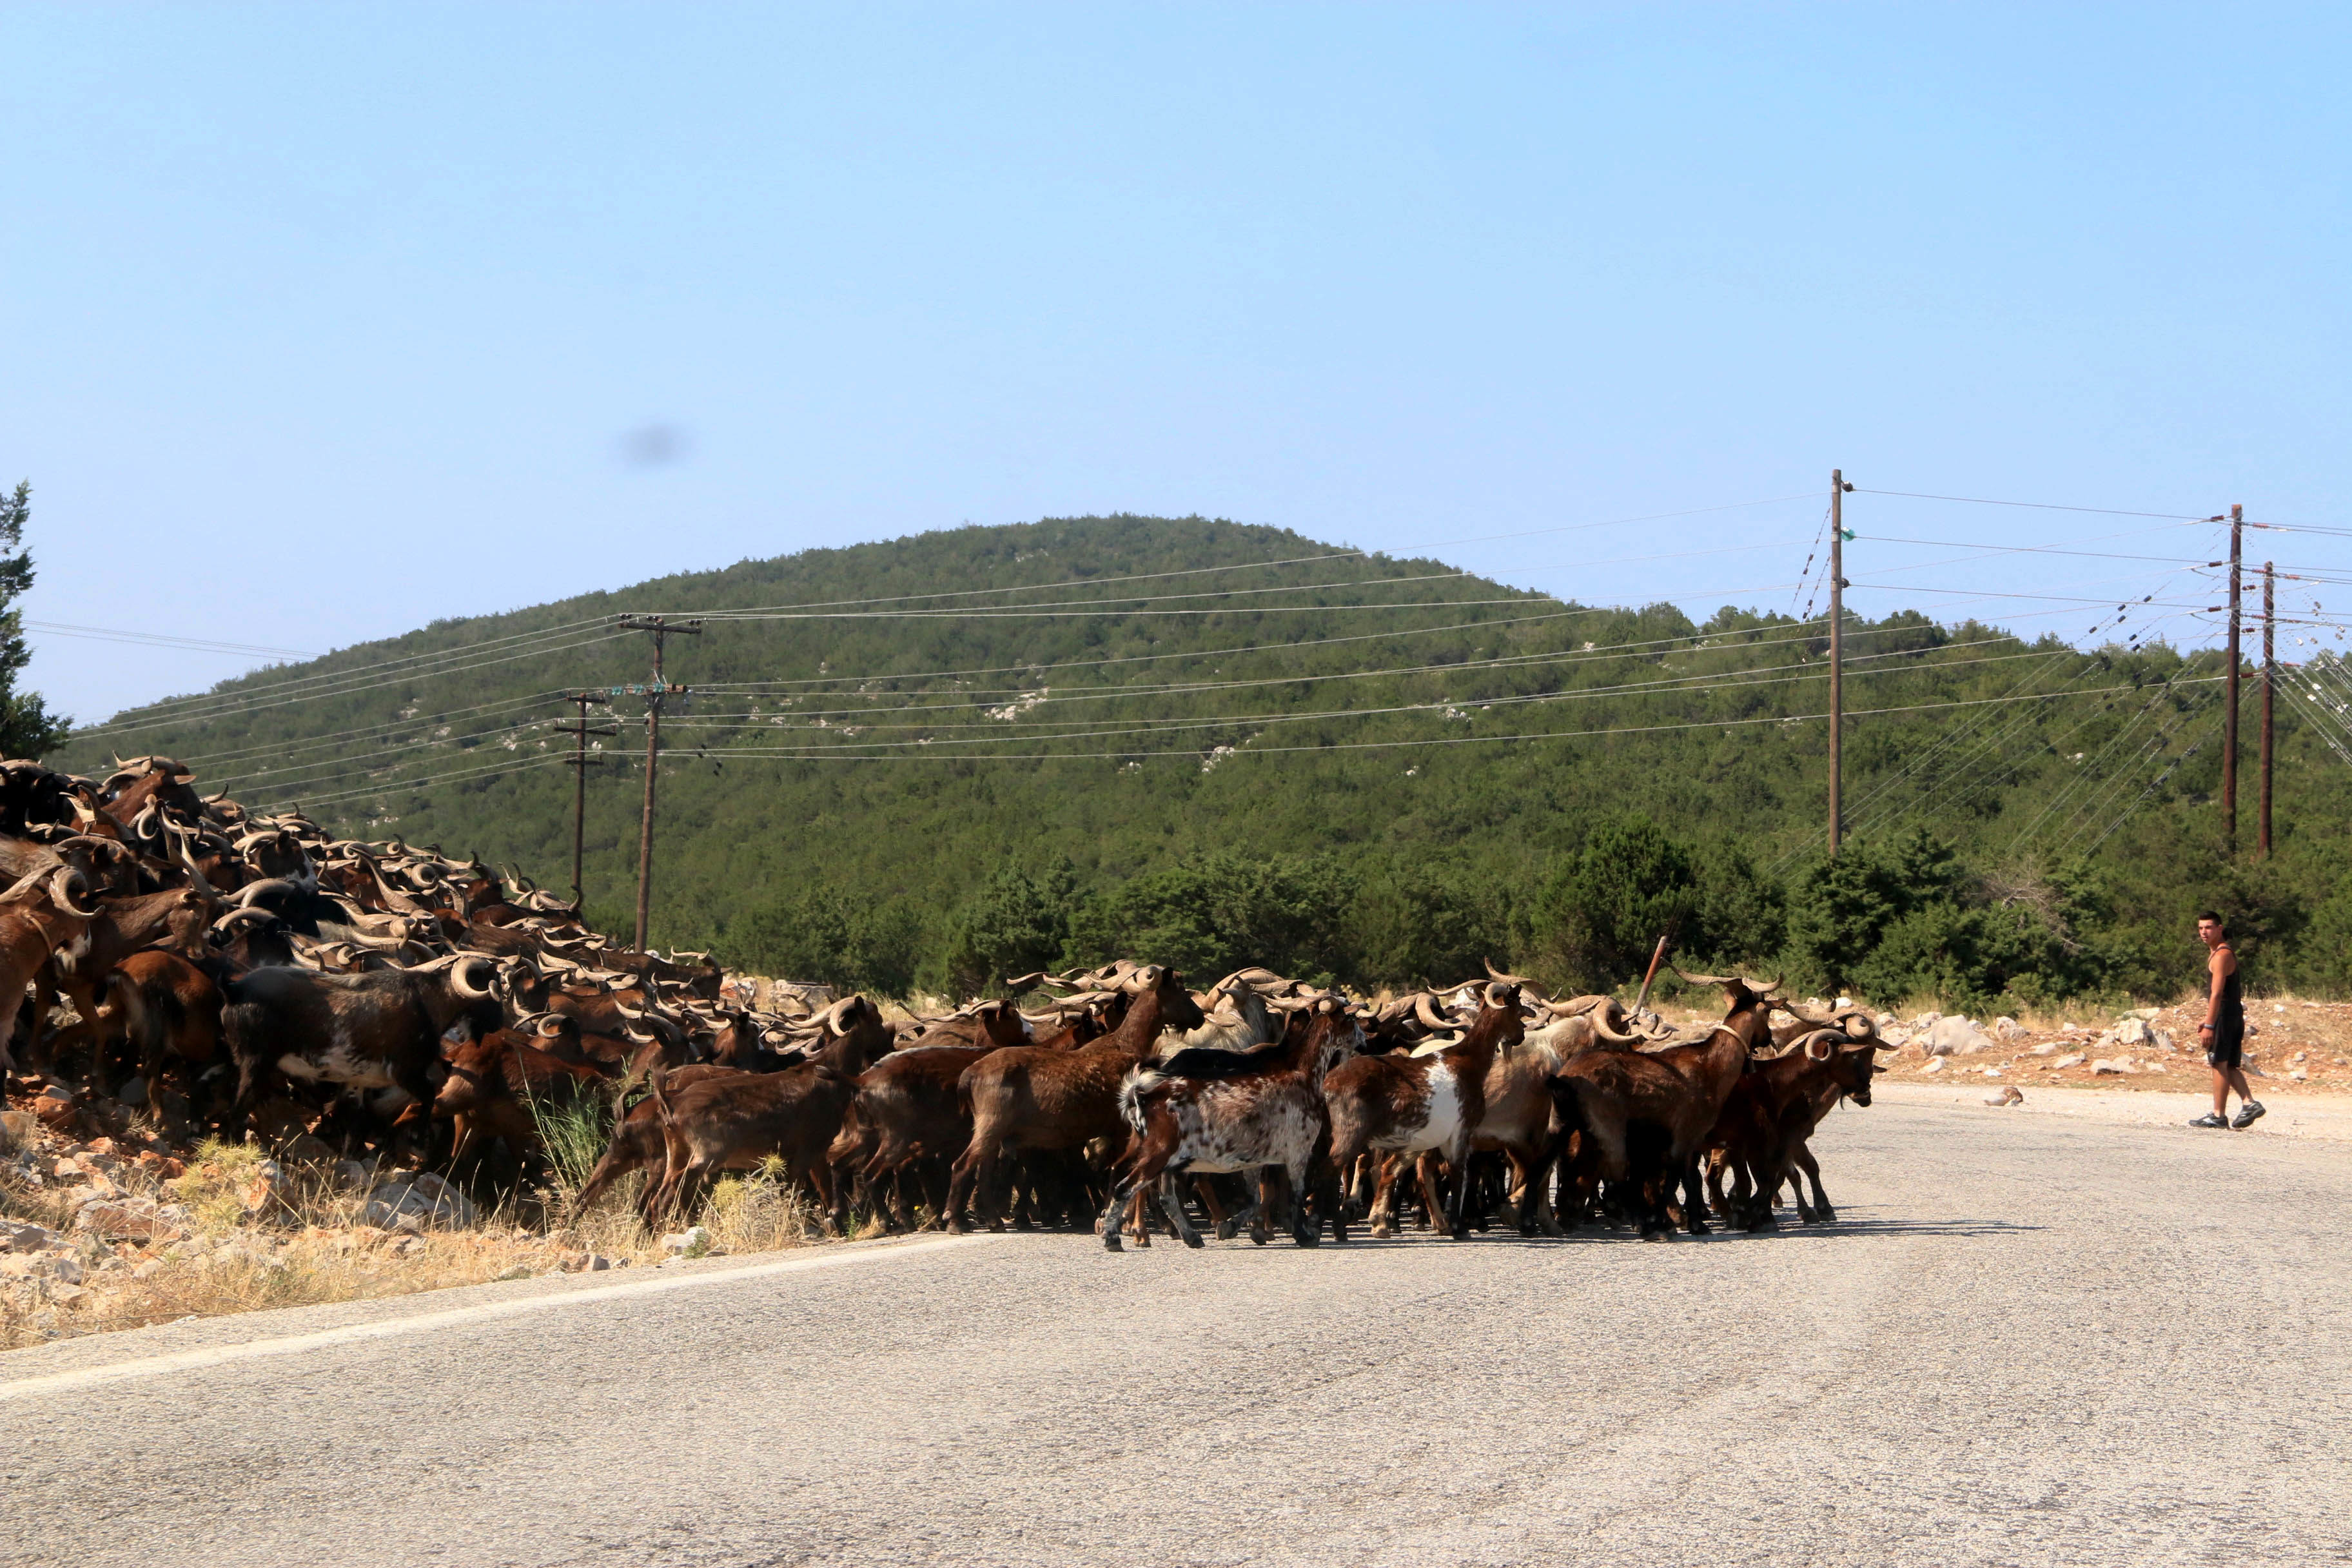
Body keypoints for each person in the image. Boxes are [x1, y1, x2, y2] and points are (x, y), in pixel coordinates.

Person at [2188, 912, 2262, 1130]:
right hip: (2230, 1014)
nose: (2204, 932)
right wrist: (2207, 1019)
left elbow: (2217, 994)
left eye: (2209, 927)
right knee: (2228, 1064)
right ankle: (2250, 1103)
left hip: (2225, 1015)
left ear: (2220, 929)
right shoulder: (2219, 953)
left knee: (2218, 1063)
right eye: (2201, 928)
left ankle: (2218, 1115)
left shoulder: (2221, 955)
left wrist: (2210, 1025)